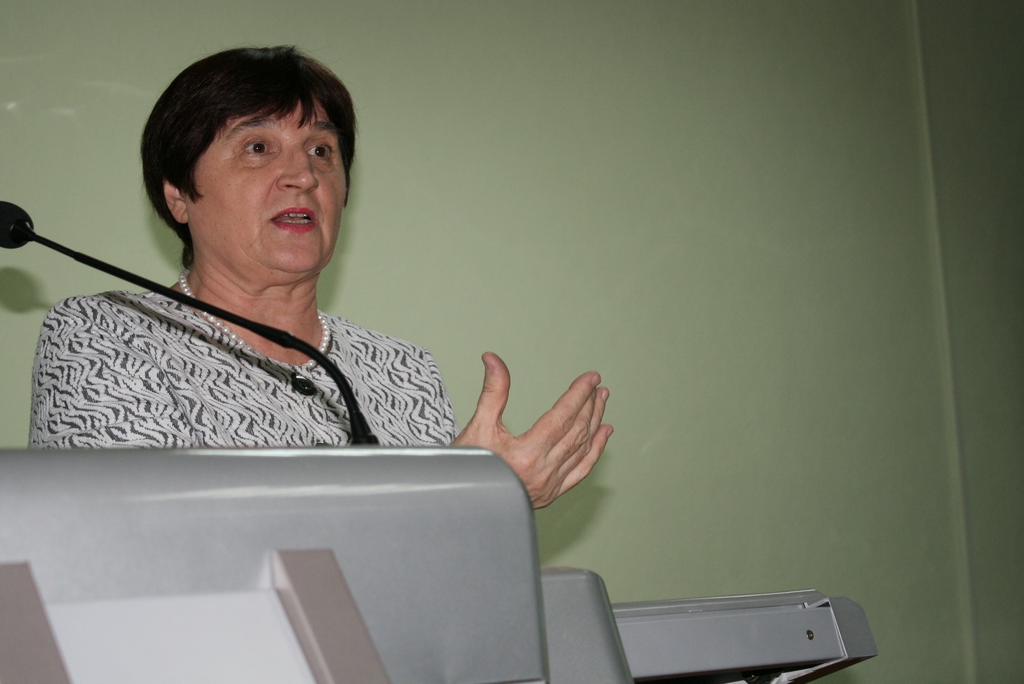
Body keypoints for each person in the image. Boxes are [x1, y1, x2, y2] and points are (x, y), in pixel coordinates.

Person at [30, 46, 612, 507]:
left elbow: (431, 593)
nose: (302, 175)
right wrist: (461, 498)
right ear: (179, 195)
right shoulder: (106, 335)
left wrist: (490, 511)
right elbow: (129, 551)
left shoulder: (403, 373)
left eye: (321, 151)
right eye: (258, 146)